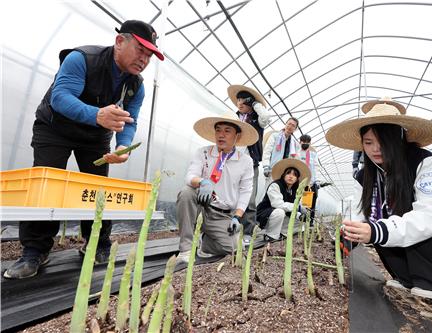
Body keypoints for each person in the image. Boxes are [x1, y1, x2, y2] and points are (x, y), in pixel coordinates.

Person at [3, 20, 165, 279]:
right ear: (120, 41)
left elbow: (129, 120)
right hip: (55, 128)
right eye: (140, 50)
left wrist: (123, 147)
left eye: (149, 55)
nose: (144, 60)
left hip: (94, 136)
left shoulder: (136, 86)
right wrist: (97, 115)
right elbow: (61, 97)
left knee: (97, 188)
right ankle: (35, 251)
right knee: (47, 184)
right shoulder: (82, 59)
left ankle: (97, 243)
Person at [325, 97, 432, 299]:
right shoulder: (368, 175)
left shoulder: (426, 164)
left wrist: (377, 230)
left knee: (386, 228)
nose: (375, 149)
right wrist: (348, 234)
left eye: (383, 141)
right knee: (378, 226)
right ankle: (407, 277)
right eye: (368, 142)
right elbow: (359, 211)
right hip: (417, 240)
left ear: (399, 139)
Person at [176, 115, 258, 262]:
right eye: (218, 130)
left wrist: (237, 216)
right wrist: (202, 182)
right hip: (202, 205)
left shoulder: (245, 161)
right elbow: (190, 176)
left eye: (227, 131)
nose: (221, 135)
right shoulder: (203, 153)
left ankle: (205, 242)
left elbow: (246, 191)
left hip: (222, 214)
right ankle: (186, 249)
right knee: (187, 192)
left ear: (237, 136)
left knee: (233, 248)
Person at [227, 85, 270, 245]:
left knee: (249, 198)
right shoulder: (236, 118)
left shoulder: (256, 119)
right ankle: (231, 229)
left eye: (244, 100)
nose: (240, 103)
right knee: (231, 195)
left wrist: (256, 104)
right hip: (233, 161)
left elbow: (266, 117)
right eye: (238, 100)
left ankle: (248, 232)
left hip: (250, 162)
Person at [256, 158, 311, 241]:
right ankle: (270, 236)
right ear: (284, 175)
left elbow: (292, 209)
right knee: (280, 212)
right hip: (266, 215)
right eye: (288, 173)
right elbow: (277, 204)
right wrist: (298, 207)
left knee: (300, 220)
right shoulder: (275, 185)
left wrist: (301, 215)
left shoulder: (296, 191)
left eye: (294, 175)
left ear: (297, 179)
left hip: (282, 217)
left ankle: (282, 233)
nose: (291, 176)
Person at [262, 117, 300, 186]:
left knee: (280, 193)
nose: (290, 126)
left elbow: (295, 159)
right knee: (269, 189)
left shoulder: (294, 143)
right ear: (285, 124)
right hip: (272, 170)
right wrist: (266, 166)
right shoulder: (275, 136)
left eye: (293, 125)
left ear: (295, 129)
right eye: (289, 124)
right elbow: (267, 151)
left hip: (285, 173)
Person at [298, 134, 321, 221]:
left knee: (309, 202)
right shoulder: (296, 153)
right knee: (296, 200)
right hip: (299, 182)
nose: (305, 143)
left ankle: (309, 220)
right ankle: (296, 217)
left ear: (310, 143)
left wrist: (317, 180)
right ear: (300, 142)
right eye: (303, 141)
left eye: (307, 142)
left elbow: (316, 167)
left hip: (310, 183)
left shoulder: (313, 154)